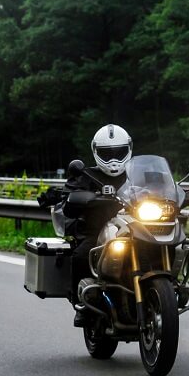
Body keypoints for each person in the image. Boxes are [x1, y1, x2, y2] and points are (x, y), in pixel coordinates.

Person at [60, 124, 132, 326]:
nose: (114, 159)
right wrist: (82, 198)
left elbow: (160, 188)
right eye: (107, 154)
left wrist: (182, 195)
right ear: (95, 152)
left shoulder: (136, 175)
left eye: (119, 152)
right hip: (98, 232)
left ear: (129, 148)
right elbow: (69, 201)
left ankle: (170, 287)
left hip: (137, 229)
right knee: (82, 254)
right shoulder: (85, 176)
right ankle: (81, 304)